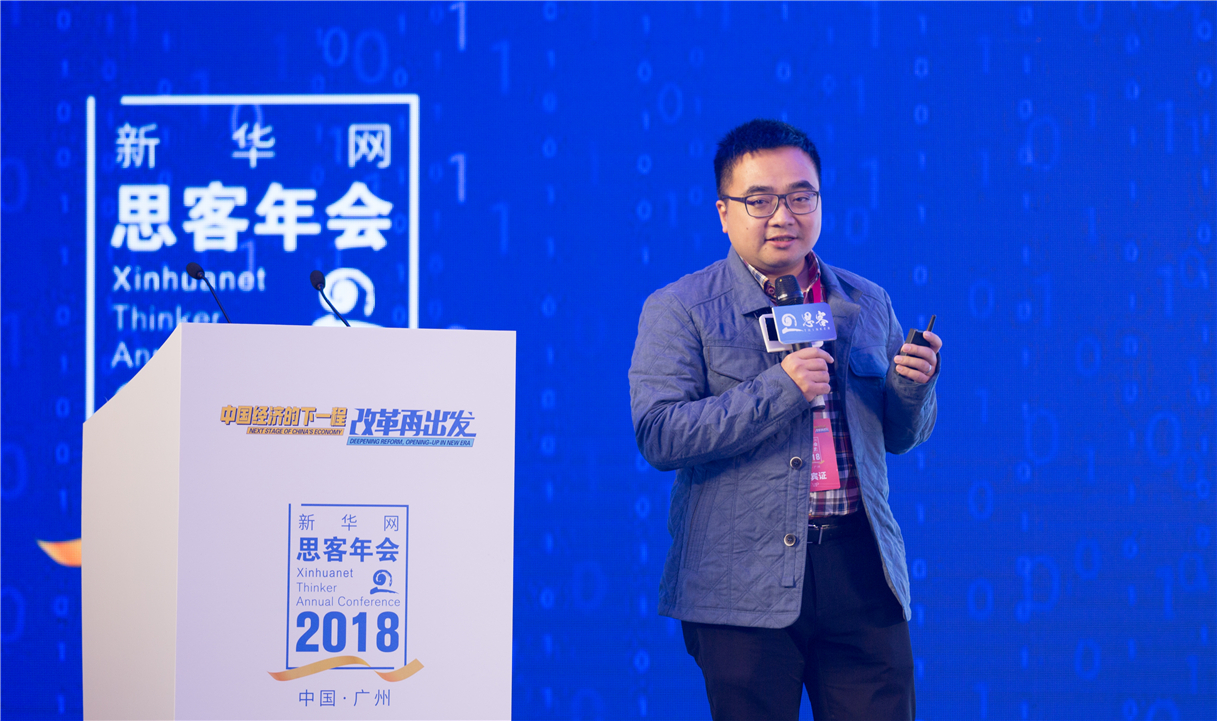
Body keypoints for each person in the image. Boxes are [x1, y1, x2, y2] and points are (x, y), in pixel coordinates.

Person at [628, 119, 942, 721]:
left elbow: (900, 438)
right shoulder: (680, 308)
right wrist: (780, 389)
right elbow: (660, 433)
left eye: (801, 197)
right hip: (739, 579)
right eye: (760, 200)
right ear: (724, 213)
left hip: (860, 567)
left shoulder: (865, 302)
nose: (783, 216)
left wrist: (912, 388)